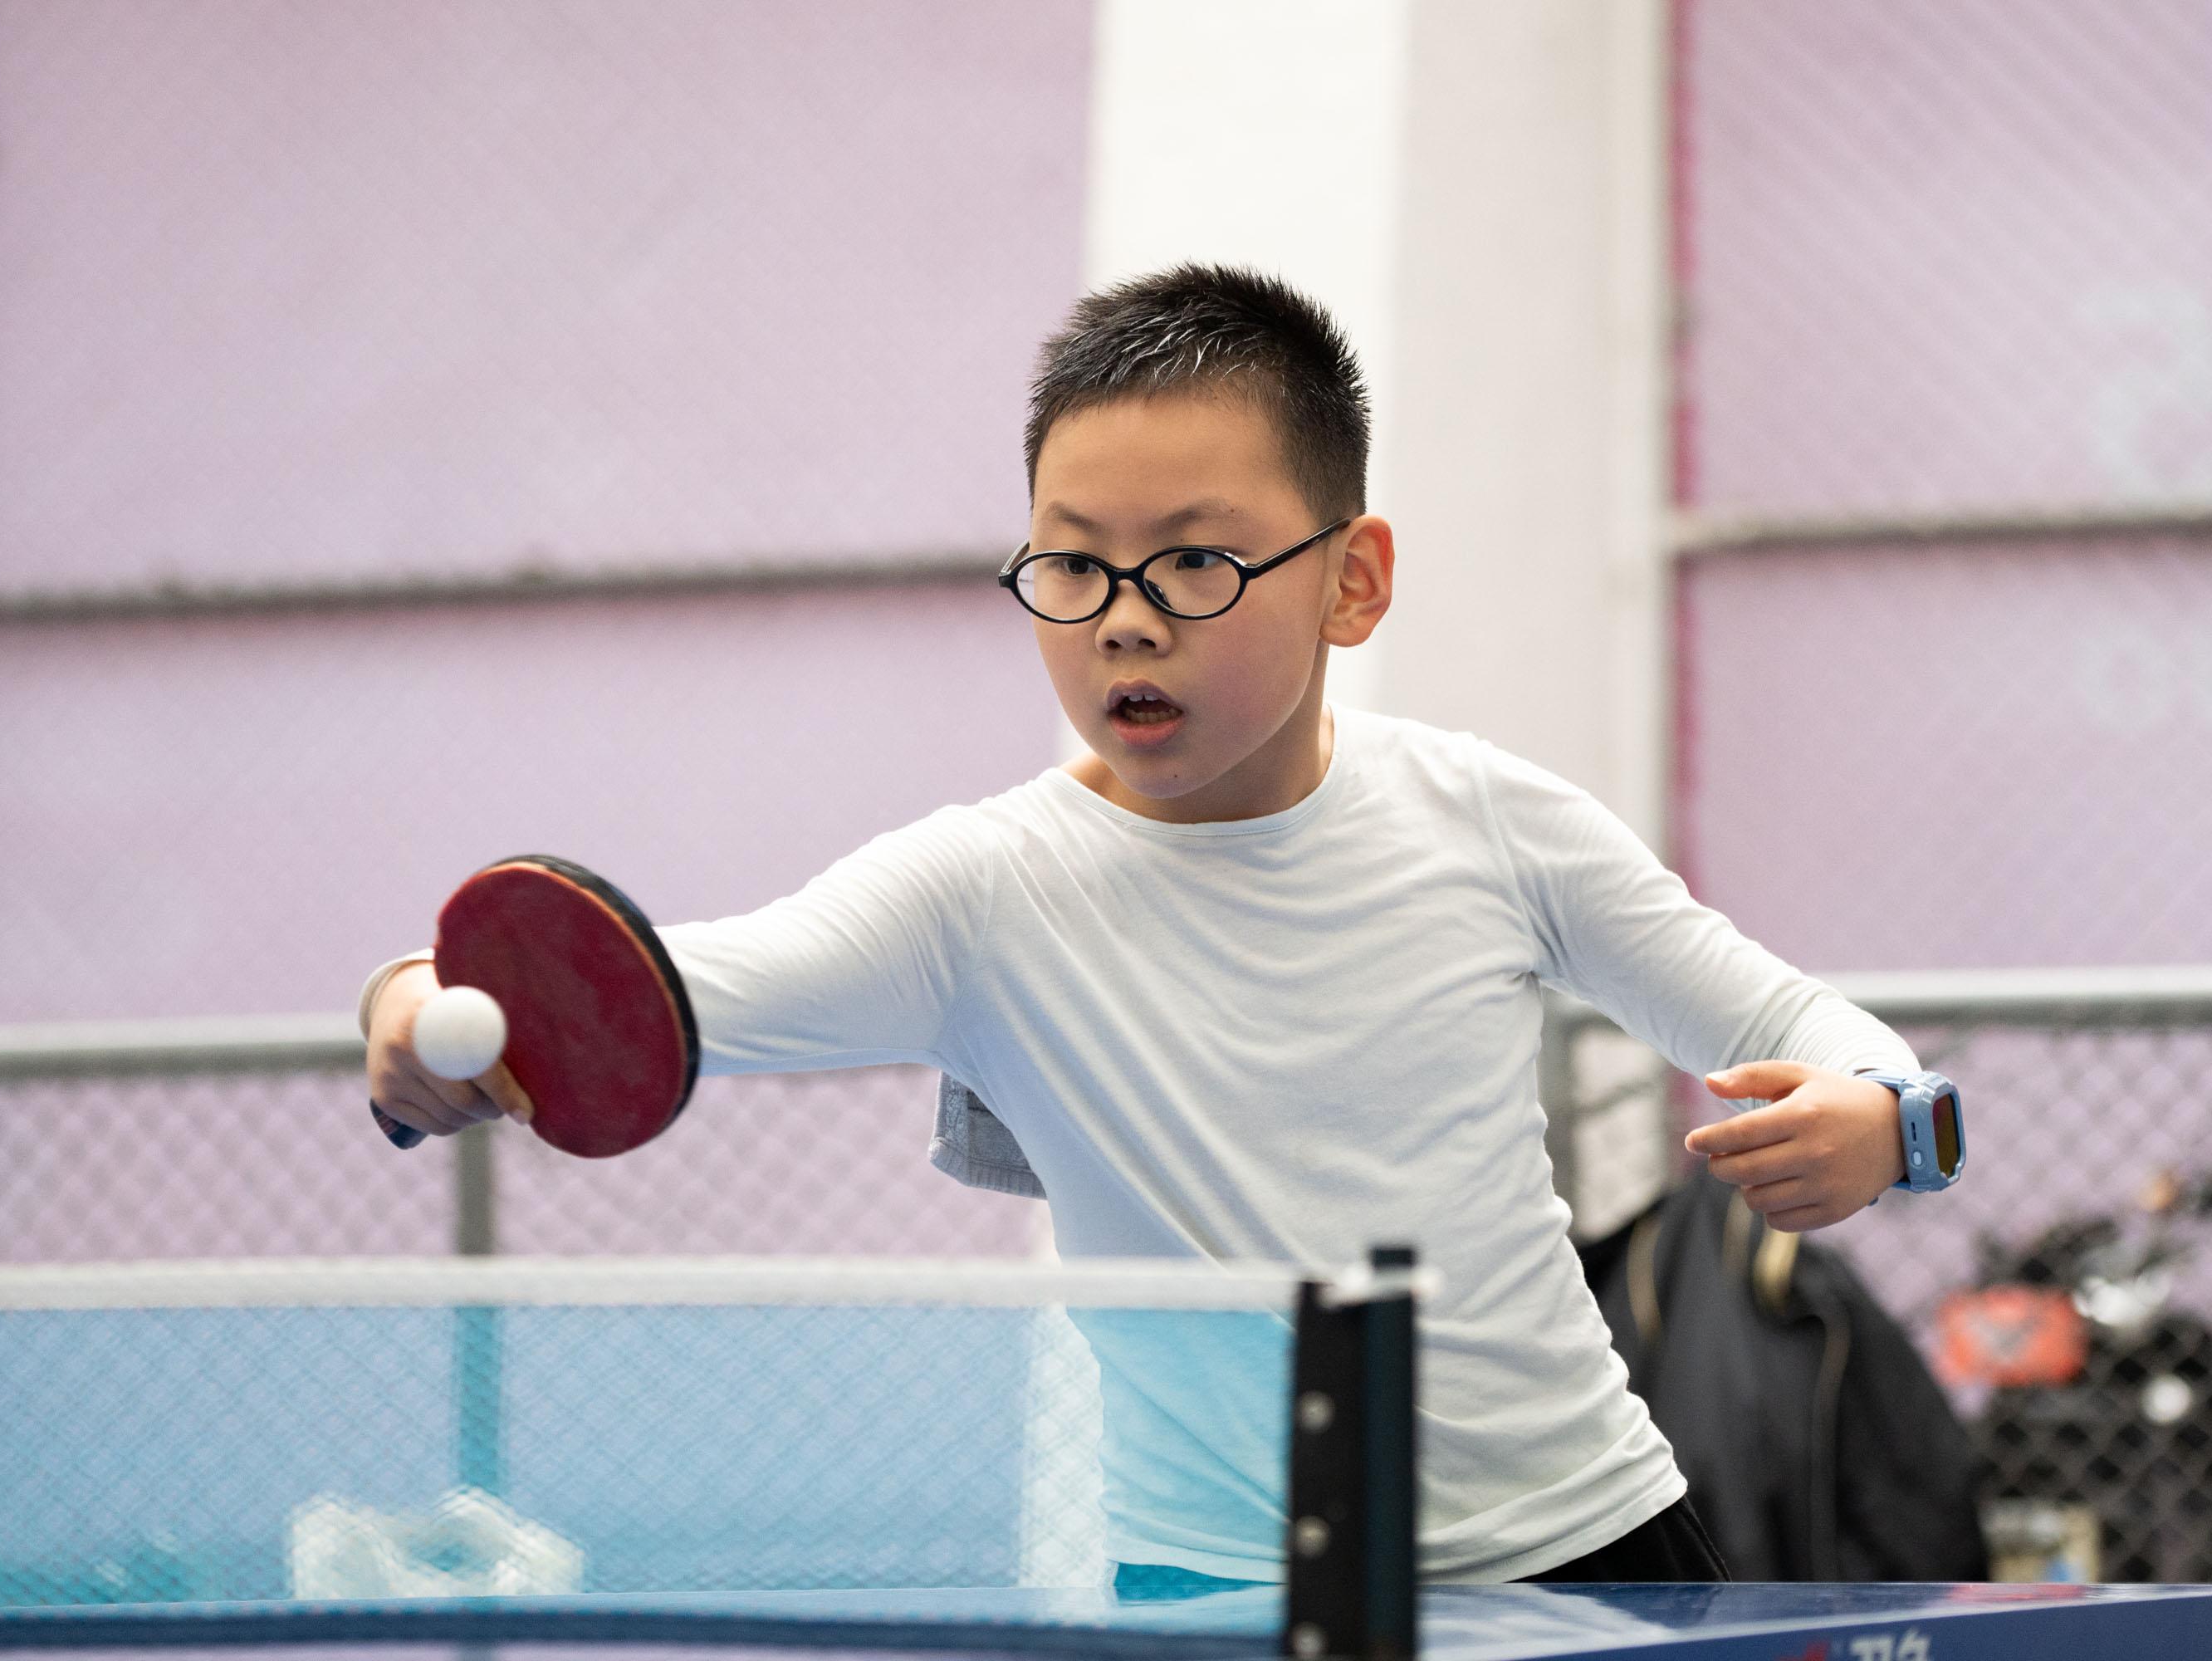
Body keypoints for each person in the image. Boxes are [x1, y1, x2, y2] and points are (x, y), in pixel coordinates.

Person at [360, 264, 1944, 1586]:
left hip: (1584, 1554)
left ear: (1354, 580)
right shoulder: (975, 897)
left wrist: (1888, 1121)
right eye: (1073, 561)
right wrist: (416, 998)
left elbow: (1801, 1025)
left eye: (1194, 557)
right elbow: (650, 993)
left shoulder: (1489, 822)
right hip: (1210, 1593)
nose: (1126, 613)